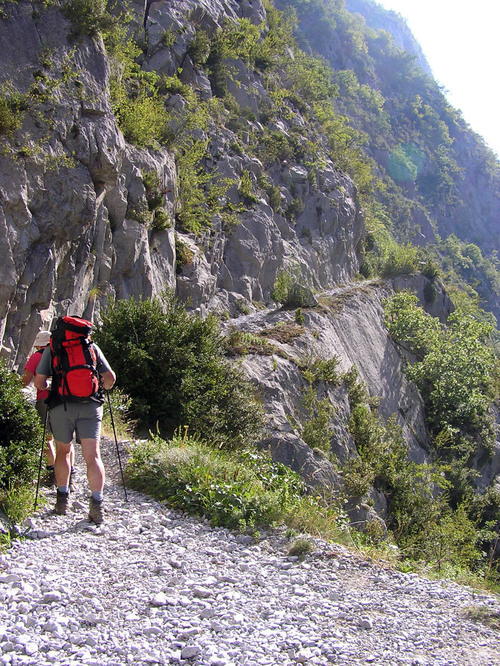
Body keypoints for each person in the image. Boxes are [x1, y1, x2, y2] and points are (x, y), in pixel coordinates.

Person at [34, 324, 116, 525]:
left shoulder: (53, 347)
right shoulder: (90, 346)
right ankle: (97, 504)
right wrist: (101, 387)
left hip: (61, 406)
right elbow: (110, 378)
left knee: (63, 451)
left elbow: (39, 382)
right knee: (93, 455)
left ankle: (62, 501)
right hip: (90, 405)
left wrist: (51, 387)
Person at [22, 331, 74, 486]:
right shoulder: (63, 355)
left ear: (39, 344)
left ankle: (52, 472)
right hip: (66, 399)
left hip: (45, 399)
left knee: (46, 437)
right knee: (66, 439)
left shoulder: (37, 356)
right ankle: (69, 472)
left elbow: (25, 380)